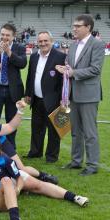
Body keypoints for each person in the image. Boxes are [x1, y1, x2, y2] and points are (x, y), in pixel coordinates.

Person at [55, 14, 105, 176]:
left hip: (89, 95)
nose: (74, 28)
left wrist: (72, 72)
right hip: (73, 94)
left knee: (90, 132)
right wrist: (64, 69)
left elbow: (95, 69)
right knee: (75, 130)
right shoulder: (74, 45)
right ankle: (76, 161)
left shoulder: (97, 44)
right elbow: (69, 67)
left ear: (88, 27)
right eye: (74, 25)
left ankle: (92, 165)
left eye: (78, 26)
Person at [24, 31, 66, 163]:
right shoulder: (34, 56)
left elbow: (64, 80)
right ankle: (35, 152)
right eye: (40, 41)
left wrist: (63, 98)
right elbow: (30, 77)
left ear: (51, 41)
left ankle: (51, 156)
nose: (43, 44)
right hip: (36, 99)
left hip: (53, 99)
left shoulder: (60, 56)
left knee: (54, 129)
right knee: (36, 128)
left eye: (45, 41)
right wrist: (28, 94)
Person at [0, 23, 27, 148]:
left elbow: (22, 63)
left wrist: (9, 53)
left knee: (11, 119)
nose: (4, 37)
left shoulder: (19, 47)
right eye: (2, 34)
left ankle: (10, 147)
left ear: (13, 37)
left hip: (13, 90)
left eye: (7, 35)